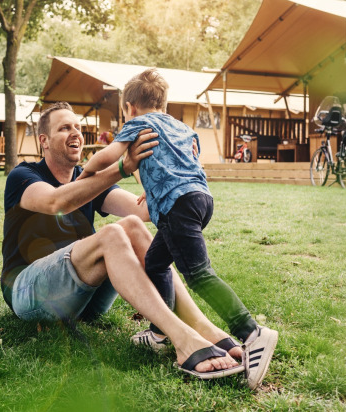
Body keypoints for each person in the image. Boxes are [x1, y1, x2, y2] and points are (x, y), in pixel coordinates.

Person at [2, 101, 247, 382]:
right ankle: (182, 338)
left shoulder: (90, 179)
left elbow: (144, 211)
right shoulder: (23, 176)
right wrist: (121, 166)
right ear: (43, 141)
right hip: (29, 293)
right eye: (64, 128)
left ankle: (202, 326)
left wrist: (182, 169)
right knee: (111, 234)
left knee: (130, 225)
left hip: (85, 302)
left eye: (78, 127)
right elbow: (59, 201)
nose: (75, 133)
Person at [80, 69, 278, 389]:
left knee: (198, 275)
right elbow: (187, 162)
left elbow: (109, 156)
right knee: (155, 263)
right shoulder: (182, 127)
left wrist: (85, 172)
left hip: (177, 208)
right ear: (164, 103)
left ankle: (252, 333)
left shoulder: (137, 124)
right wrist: (152, 186)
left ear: (129, 107)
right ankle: (160, 332)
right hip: (201, 200)